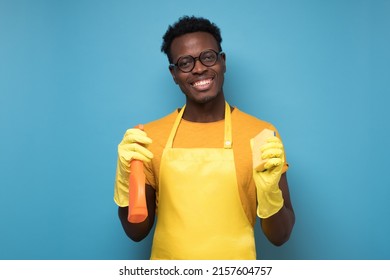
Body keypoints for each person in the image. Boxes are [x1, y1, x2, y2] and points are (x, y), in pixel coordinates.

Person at [114, 15, 295, 260]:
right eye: (185, 63)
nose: (199, 68)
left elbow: (280, 237)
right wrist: (126, 182)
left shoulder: (261, 135)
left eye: (208, 57)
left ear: (223, 61)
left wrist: (270, 194)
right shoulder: (148, 139)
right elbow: (136, 232)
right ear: (174, 74)